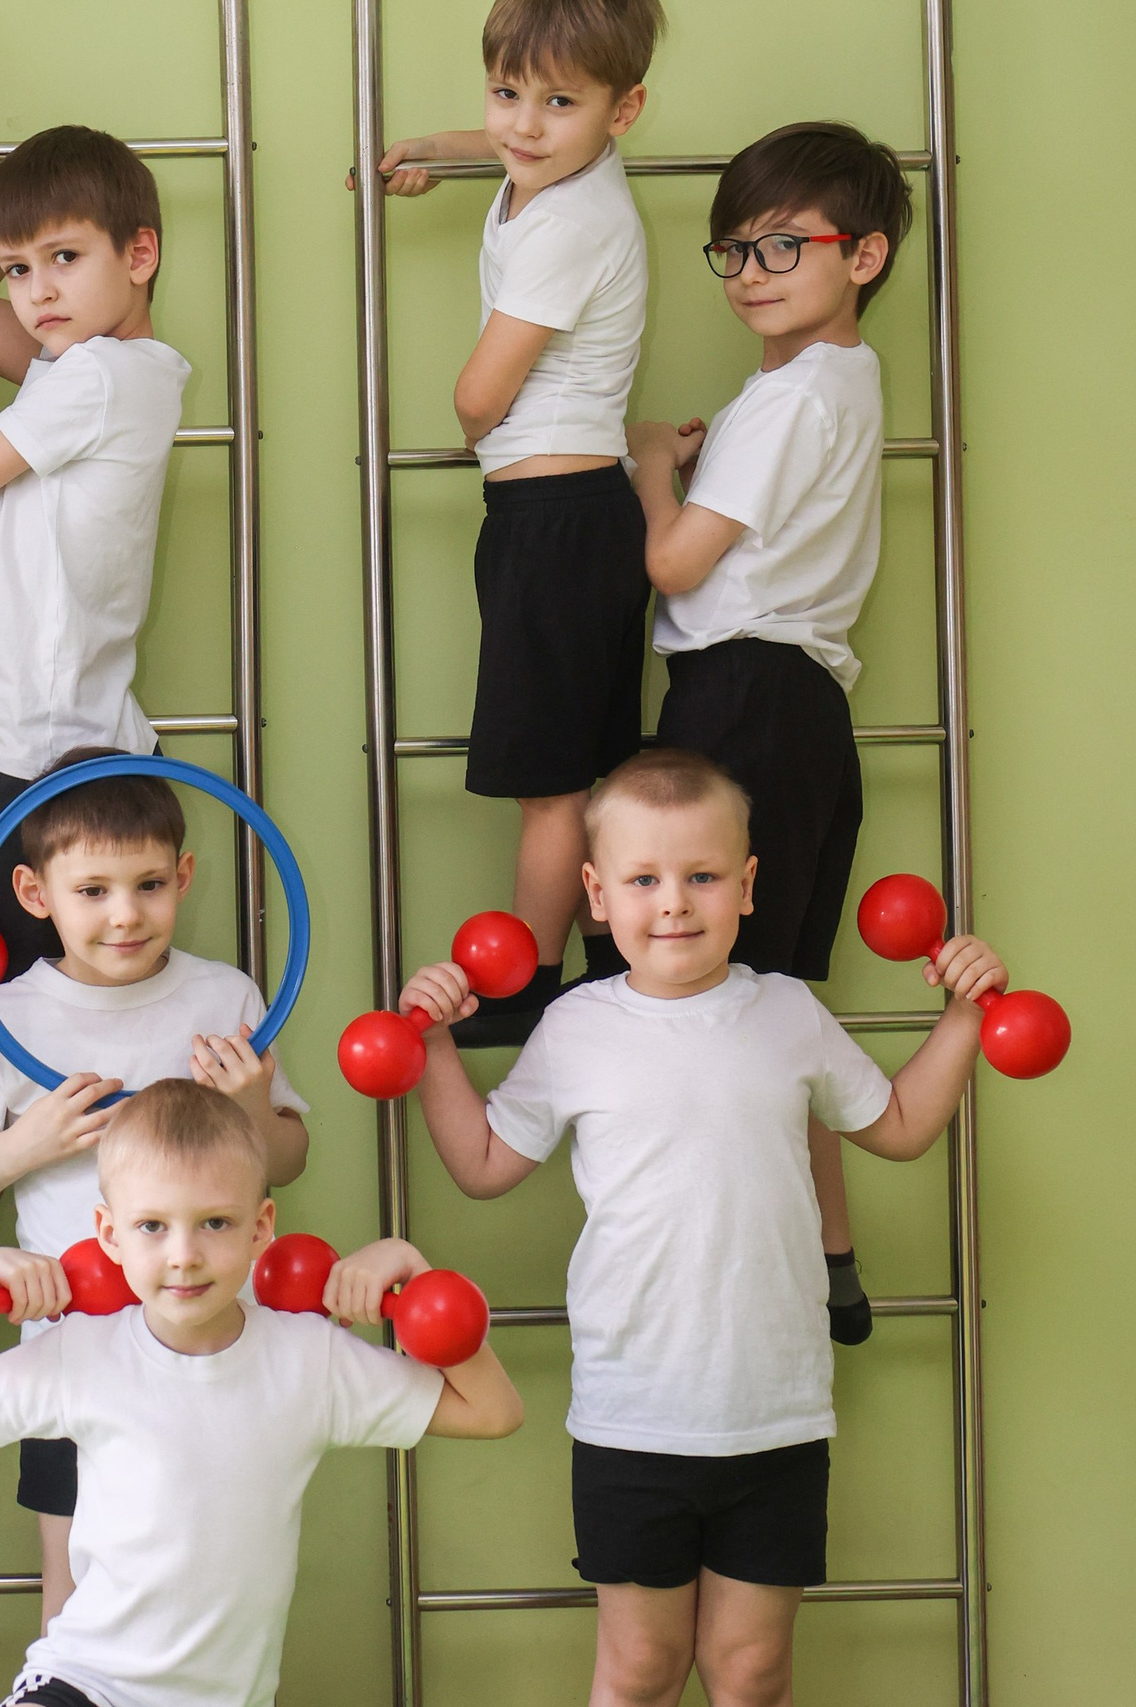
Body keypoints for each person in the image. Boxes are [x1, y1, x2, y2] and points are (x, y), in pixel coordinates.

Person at [398, 748, 1004, 1707]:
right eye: (643, 879)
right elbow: (479, 1166)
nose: (673, 902)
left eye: (702, 876)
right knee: (640, 1669)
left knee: (751, 1671)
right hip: (634, 1414)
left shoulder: (789, 1012)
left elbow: (896, 1125)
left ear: (747, 886)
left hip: (776, 1412)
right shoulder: (575, 1027)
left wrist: (967, 1017)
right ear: (596, 894)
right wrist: (430, 1043)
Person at [0, 1079, 522, 1707]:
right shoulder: (82, 1352)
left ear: (261, 1227)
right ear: (108, 1234)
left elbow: (494, 1411)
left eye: (214, 1221)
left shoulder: (310, 1358)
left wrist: (416, 1273)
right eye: (152, 1225)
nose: (183, 1254)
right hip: (84, 1681)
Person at [0, 750, 310, 1626]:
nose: (125, 914)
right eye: (93, 890)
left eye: (149, 884)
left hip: (211, 1348)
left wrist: (247, 1108)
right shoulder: (6, 1016)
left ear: (184, 875)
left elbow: (288, 1157)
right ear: (35, 890)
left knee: (212, 1581)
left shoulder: (223, 996)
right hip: (71, 1355)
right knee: (79, 1596)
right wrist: (26, 1144)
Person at [624, 122, 917, 1345]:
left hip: (740, 700)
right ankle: (829, 1270)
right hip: (802, 713)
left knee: (700, 1003)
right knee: (773, 1007)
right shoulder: (836, 384)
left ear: (865, 255)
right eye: (732, 249)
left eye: (783, 243)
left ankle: (726, 1278)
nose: (750, 270)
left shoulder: (791, 398)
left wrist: (651, 466)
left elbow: (675, 563)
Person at [379, 0, 666, 1043]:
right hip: (566, 516)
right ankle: (598, 960)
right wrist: (433, 149)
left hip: (554, 520)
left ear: (622, 110)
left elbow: (480, 391)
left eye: (557, 103)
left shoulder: (567, 224)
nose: (523, 126)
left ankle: (529, 987)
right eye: (506, 95)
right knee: (576, 765)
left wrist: (467, 422)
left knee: (547, 784)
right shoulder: (560, 168)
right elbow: (510, 141)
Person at [0, 125, 187, 1009]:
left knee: (40, 999)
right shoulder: (84, 369)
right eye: (20, 268)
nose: (36, 292)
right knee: (46, 987)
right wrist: (20, 214)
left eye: (64, 257)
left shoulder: (93, 379)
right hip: (41, 729)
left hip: (37, 745)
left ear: (139, 252)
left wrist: (15, 230)